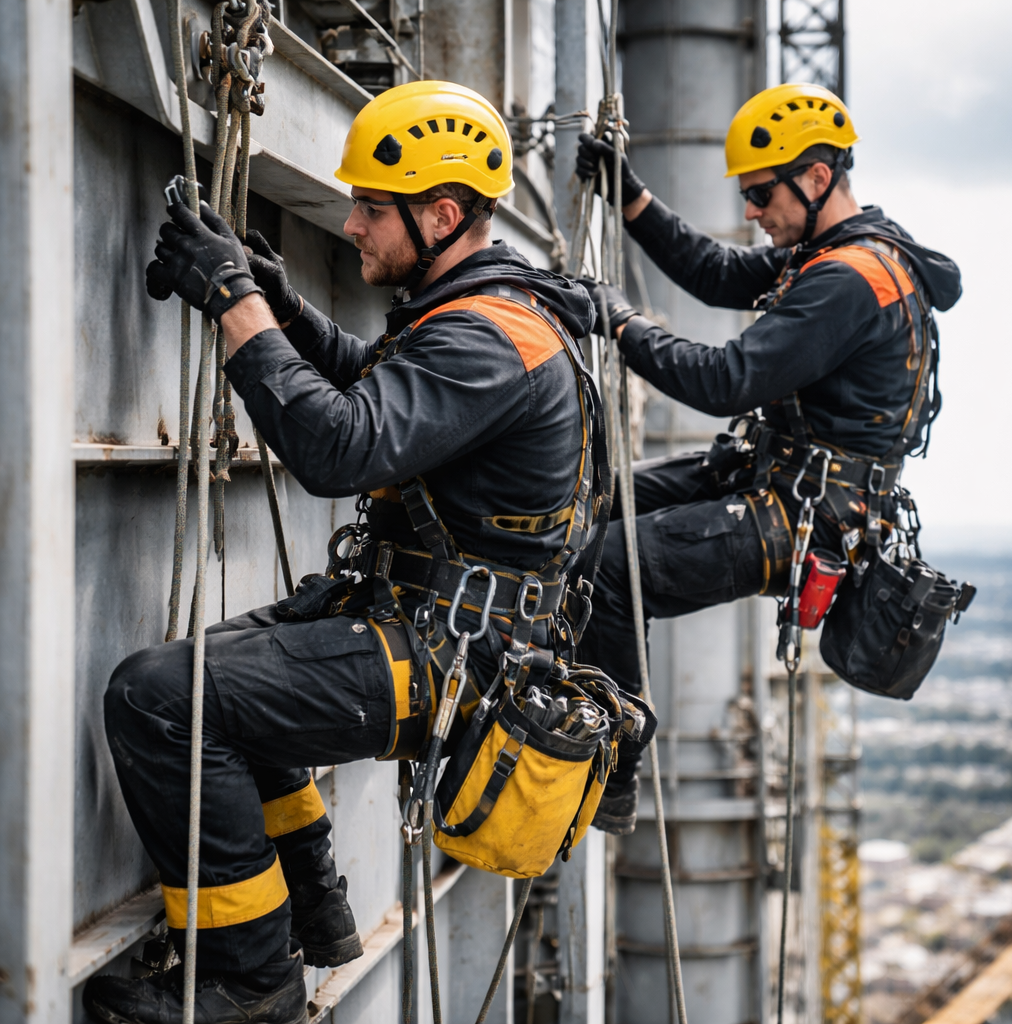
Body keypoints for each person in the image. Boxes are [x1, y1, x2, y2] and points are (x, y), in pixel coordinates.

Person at [84, 81, 599, 1024]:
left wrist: (239, 304)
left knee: (159, 698)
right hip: (441, 630)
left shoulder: (491, 338)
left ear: (443, 215)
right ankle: (313, 909)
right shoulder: (483, 313)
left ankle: (248, 982)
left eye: (371, 206)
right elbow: (388, 390)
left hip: (448, 658)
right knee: (233, 674)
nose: (353, 224)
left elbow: (340, 447)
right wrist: (285, 309)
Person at [574, 82, 962, 835]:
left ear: (817, 179)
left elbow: (726, 380)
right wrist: (632, 199)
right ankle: (569, 671)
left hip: (807, 516)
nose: (752, 212)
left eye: (761, 195)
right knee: (595, 502)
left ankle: (613, 766)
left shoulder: (852, 279)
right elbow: (722, 274)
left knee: (613, 564)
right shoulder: (832, 251)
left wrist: (619, 323)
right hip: (776, 475)